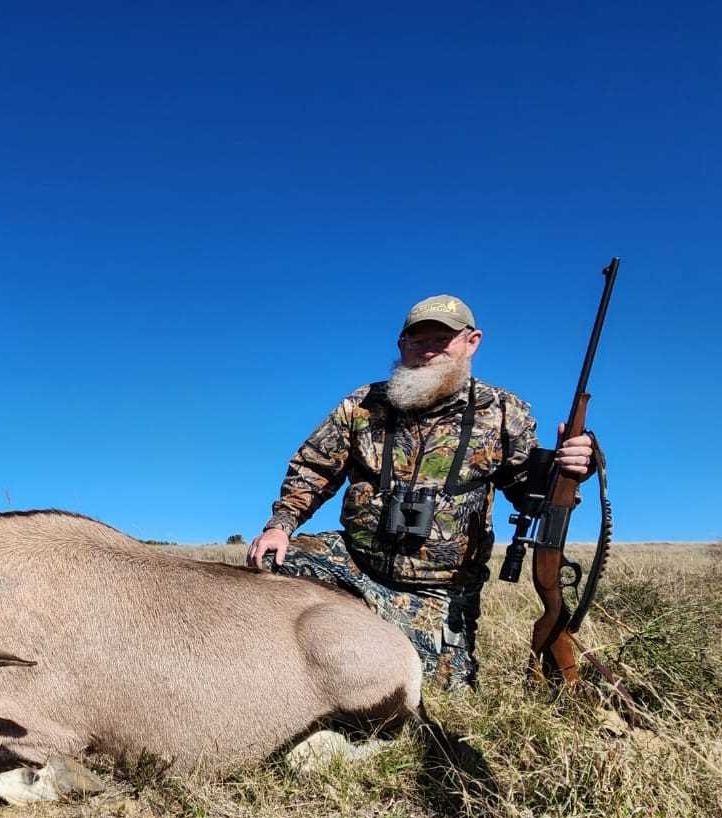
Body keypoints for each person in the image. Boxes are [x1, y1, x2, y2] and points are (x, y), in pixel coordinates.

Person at [246, 294, 594, 691]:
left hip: (438, 588)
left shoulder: (502, 412)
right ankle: (267, 677)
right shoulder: (363, 404)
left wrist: (572, 468)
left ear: (472, 341)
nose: (428, 350)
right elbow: (313, 469)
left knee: (437, 696)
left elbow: (529, 494)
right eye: (418, 340)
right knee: (267, 565)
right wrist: (280, 526)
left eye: (442, 339)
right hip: (354, 565)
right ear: (401, 345)